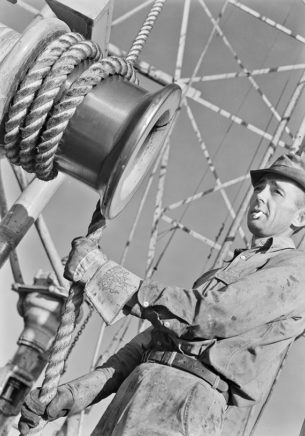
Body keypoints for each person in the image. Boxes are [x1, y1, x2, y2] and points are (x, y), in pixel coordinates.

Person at [19, 152, 305, 436]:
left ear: (301, 216)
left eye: (276, 191)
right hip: (138, 389)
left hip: (186, 402)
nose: (260, 195)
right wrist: (73, 394)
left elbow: (211, 315)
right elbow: (148, 344)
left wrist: (102, 274)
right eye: (259, 187)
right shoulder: (224, 272)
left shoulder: (296, 270)